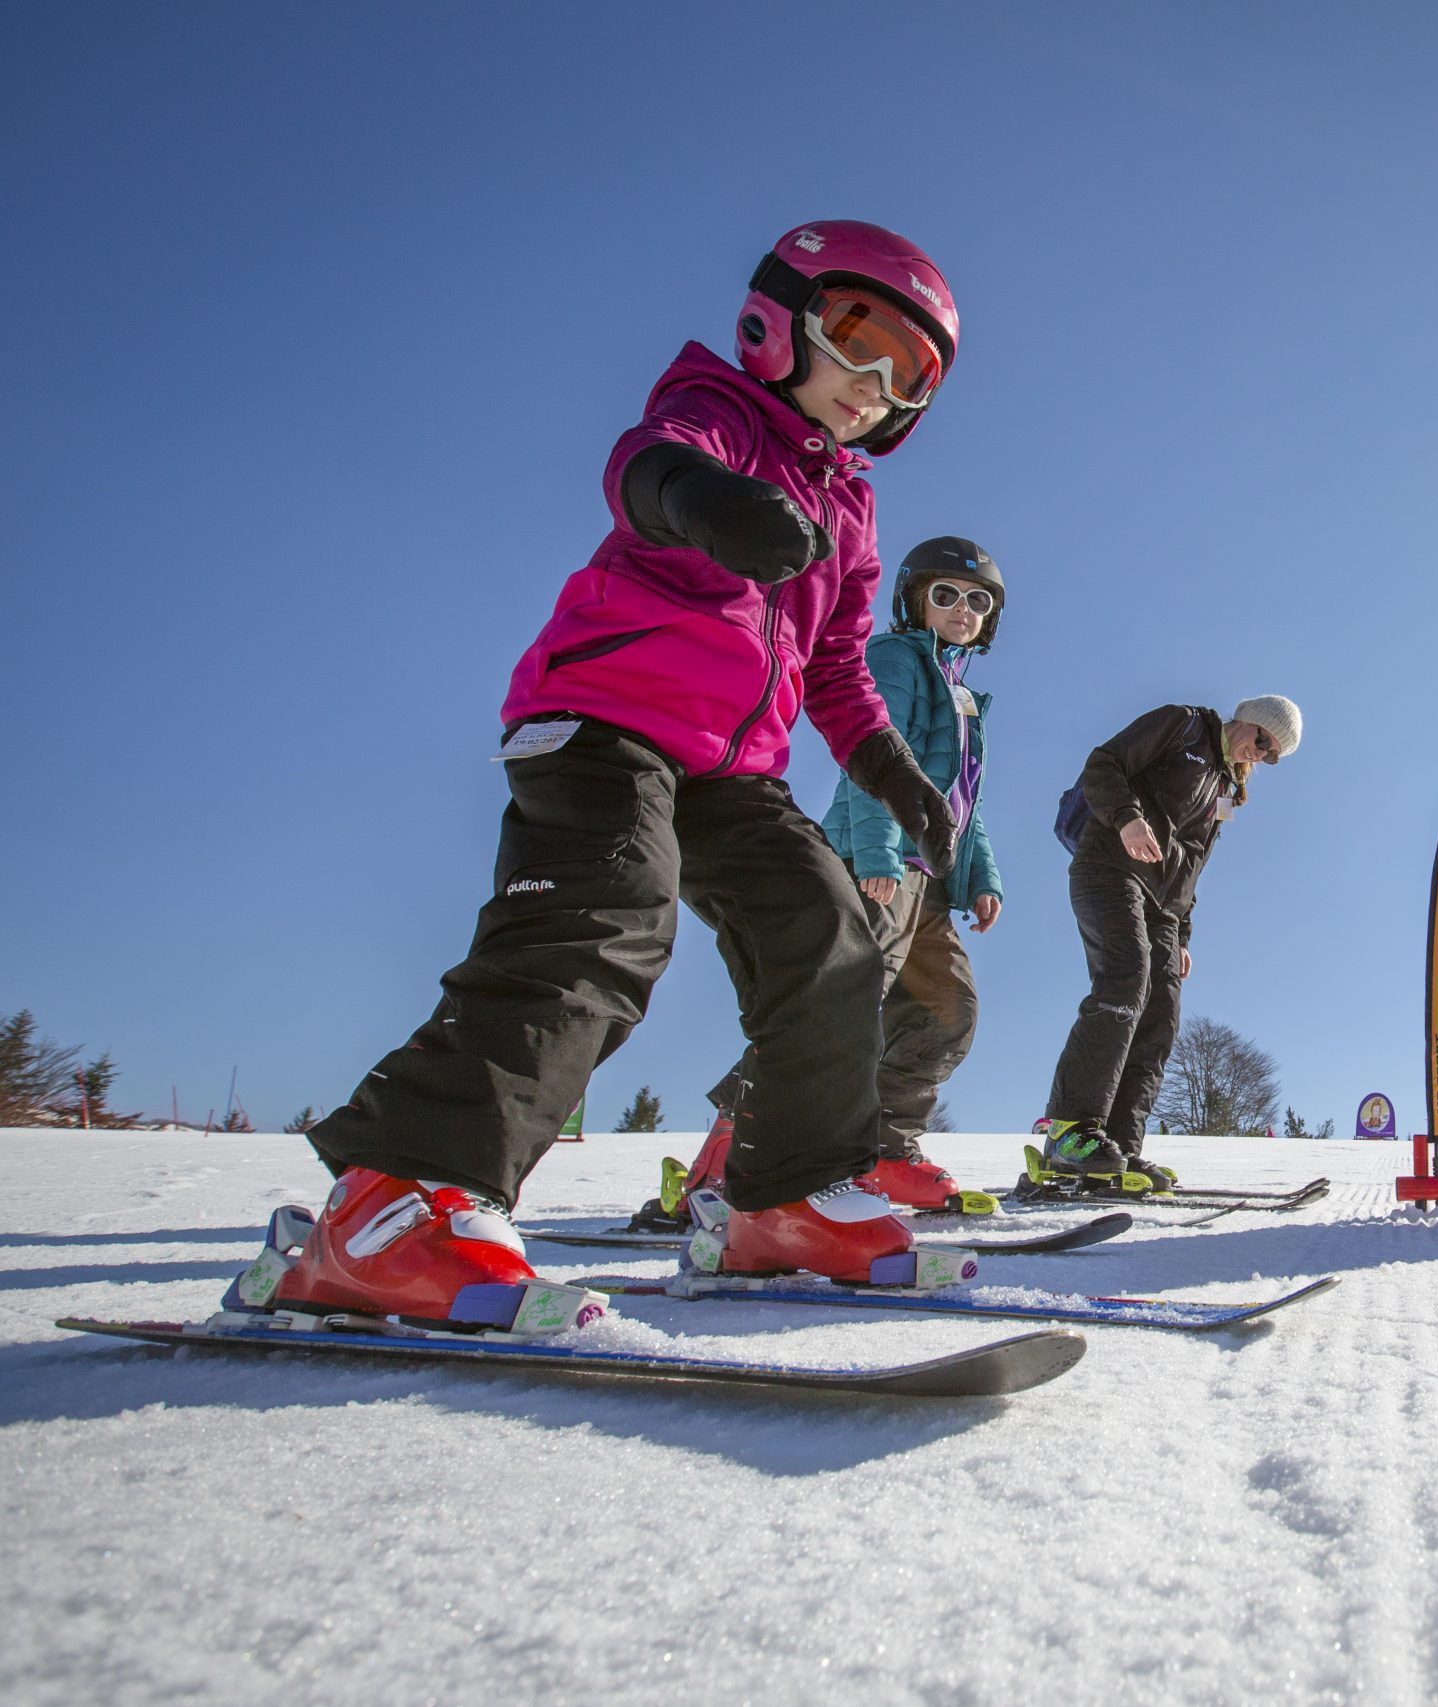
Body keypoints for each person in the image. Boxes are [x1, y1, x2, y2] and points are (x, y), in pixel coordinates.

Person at [272, 221, 969, 1333]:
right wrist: (710, 502)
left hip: (730, 767)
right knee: (608, 922)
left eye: (911, 374)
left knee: (828, 936)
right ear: (779, 318)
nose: (875, 385)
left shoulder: (849, 506)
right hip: (603, 721)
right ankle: (395, 1200)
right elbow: (642, 469)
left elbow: (836, 664)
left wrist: (899, 778)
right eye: (859, 336)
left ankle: (780, 1201)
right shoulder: (717, 409)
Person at [666, 538, 1006, 1221]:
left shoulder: (964, 696)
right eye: (946, 595)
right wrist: (877, 854)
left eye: (979, 600)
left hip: (929, 883)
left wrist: (980, 876)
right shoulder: (897, 660)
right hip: (877, 863)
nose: (963, 610)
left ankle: (881, 1149)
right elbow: (875, 761)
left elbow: (962, 802)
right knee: (836, 1003)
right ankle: (731, 1152)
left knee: (946, 1016)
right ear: (913, 600)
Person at [1041, 696, 1302, 1189]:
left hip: (1163, 906)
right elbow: (1103, 763)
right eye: (1264, 740)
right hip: (1110, 867)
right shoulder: (1183, 726)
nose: (1260, 755)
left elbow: (1195, 868)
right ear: (1249, 718)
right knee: (1125, 979)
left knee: (1162, 1012)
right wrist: (1126, 817)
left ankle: (1118, 1147)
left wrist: (1182, 933)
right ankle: (1070, 1131)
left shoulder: (1227, 791)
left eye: (1272, 756)